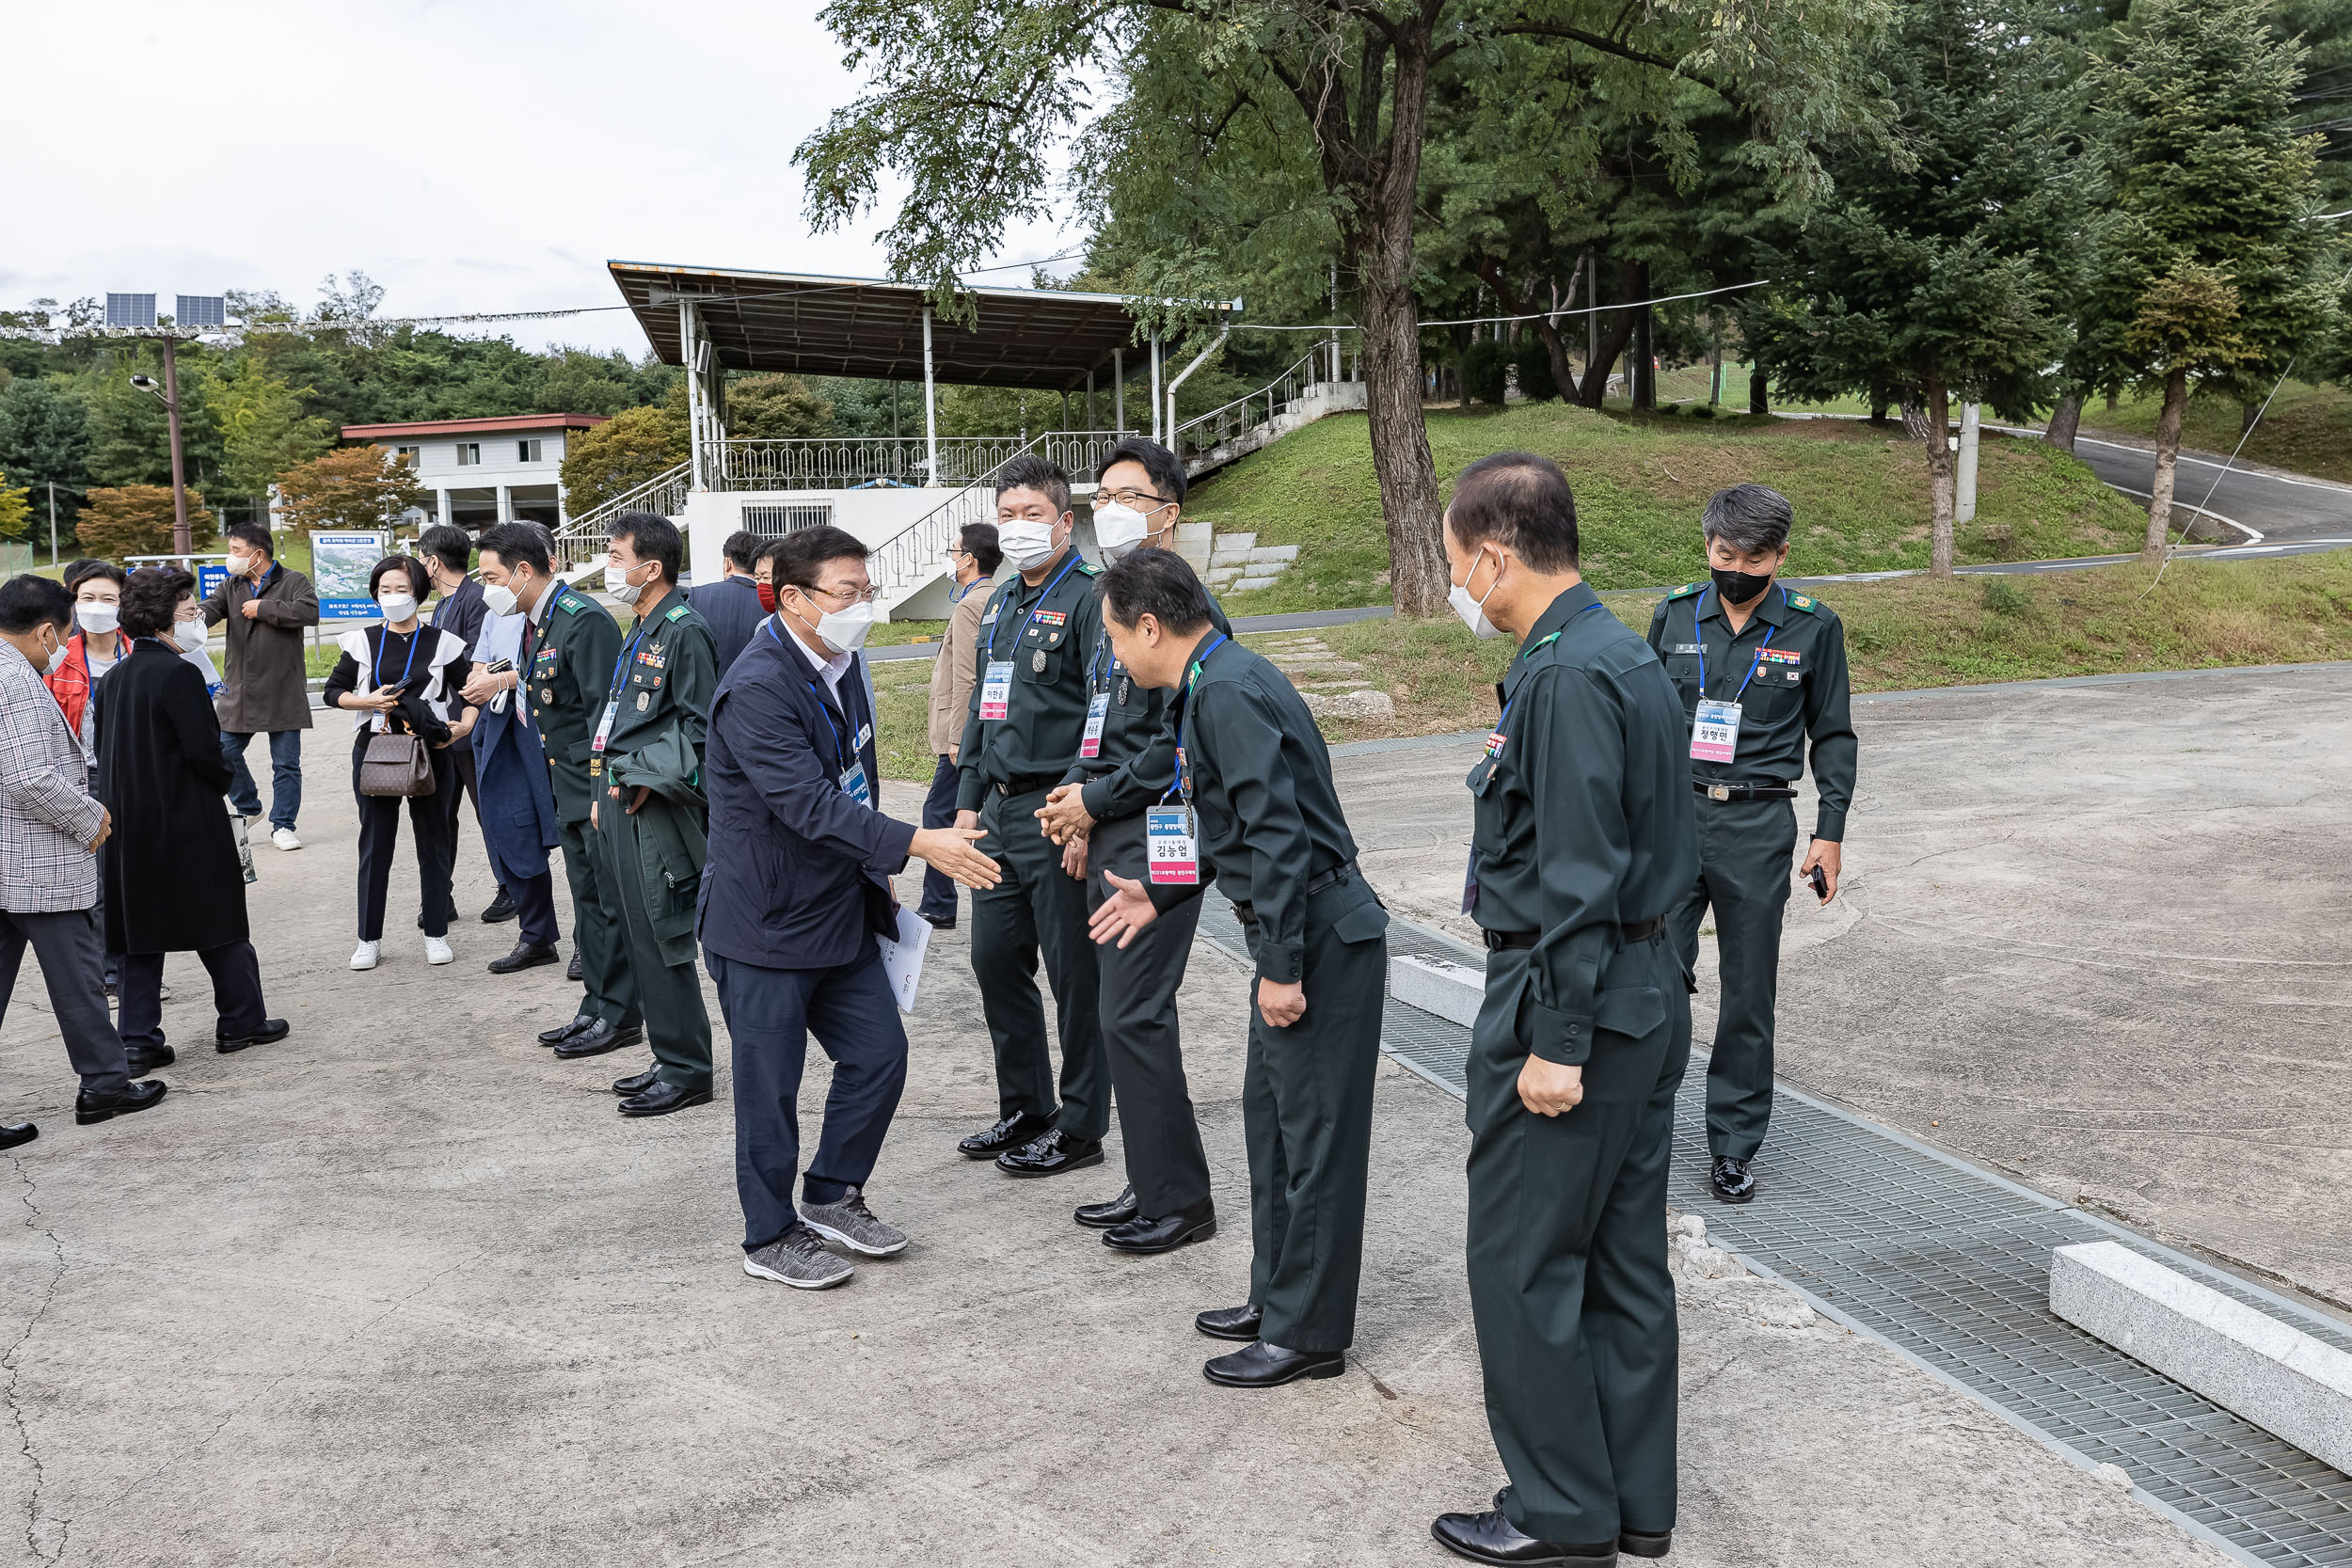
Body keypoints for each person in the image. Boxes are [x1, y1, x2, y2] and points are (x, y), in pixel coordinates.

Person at [1422, 453, 1697, 1567]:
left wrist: (1555, 1041)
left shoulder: (1566, 674)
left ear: (1492, 554)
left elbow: (1579, 872)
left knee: (1526, 1260)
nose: (1458, 587)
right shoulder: (1615, 649)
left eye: (1454, 565)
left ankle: (1558, 1510)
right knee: (1623, 1260)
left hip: (1568, 994)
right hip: (1640, 990)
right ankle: (1635, 1501)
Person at [1087, 546, 1389, 1390]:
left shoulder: (1224, 691)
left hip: (1316, 934)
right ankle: (1276, 1293)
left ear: (1152, 626)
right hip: (1291, 929)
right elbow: (1222, 827)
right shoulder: (1209, 683)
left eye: (1115, 639)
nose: (1114, 656)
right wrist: (1157, 891)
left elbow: (1279, 837)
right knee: (1272, 1122)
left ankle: (1309, 1332)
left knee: (1316, 1139)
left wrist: (1283, 968)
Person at [702, 526, 1002, 1289]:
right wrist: (918, 844)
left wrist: (881, 863)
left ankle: (834, 1190)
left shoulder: (837, 661)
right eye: (847, 593)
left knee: (879, 1056)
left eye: (866, 591)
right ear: (793, 597)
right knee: (768, 1089)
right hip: (764, 921)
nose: (860, 607)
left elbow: (854, 774)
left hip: (838, 905)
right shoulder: (760, 684)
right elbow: (804, 803)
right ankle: (768, 1235)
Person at [1034, 438, 1229, 1253]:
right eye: (1103, 492)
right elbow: (1098, 718)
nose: (1110, 508)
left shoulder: (1188, 613)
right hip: (1109, 824)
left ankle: (1179, 1199)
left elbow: (1175, 749)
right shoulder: (1119, 600)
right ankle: (1151, 1179)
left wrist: (1096, 798)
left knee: (1135, 1013)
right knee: (1123, 1017)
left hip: (1161, 833)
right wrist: (1076, 805)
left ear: (1168, 513)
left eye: (1129, 496)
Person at [1645, 483, 1854, 1205]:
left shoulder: (1811, 627)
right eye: (1724, 552)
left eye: (1754, 556)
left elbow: (1832, 734)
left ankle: (1733, 1145)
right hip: (1672, 820)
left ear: (1781, 556)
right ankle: (1641, 1126)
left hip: (1758, 826)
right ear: (1707, 547)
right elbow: (1638, 726)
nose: (1736, 566)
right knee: (1651, 975)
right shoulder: (1672, 616)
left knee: (1747, 994)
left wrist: (1830, 832)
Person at [951, 456, 1111, 1178]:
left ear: (1064, 520)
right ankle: (1027, 1105)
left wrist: (1080, 812)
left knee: (1073, 974)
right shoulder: (1002, 602)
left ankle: (1080, 1125)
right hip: (997, 808)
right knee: (993, 958)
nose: (1018, 528)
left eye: (1032, 515)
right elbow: (985, 707)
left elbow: (1102, 715)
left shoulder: (1090, 597)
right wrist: (963, 804)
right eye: (1006, 515)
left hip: (1055, 809)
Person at [0, 573, 166, 1146]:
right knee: (79, 979)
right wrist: (88, 816)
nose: (63, 648)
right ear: (46, 631)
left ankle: (105, 1080)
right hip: (33, 859)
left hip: (6, 861)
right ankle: (105, 1085)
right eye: (62, 636)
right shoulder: (16, 681)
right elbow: (28, 777)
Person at [464, 524, 642, 1055]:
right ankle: (596, 1006)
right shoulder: (537, 620)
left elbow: (603, 719)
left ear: (523, 571)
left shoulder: (581, 621)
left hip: (589, 786)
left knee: (610, 903)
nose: (486, 588)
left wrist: (596, 793)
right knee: (587, 900)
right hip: (561, 782)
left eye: (492, 576)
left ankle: (622, 1015)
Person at [99, 567, 289, 1064]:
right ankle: (241, 1020)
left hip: (128, 823)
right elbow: (206, 752)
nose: (196, 617)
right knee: (221, 922)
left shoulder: (116, 677)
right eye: (188, 609)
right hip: (185, 817)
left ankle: (138, 1041)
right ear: (163, 619)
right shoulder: (180, 673)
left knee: (139, 938)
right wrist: (226, 783)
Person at [594, 512, 718, 1117]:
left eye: (617, 557)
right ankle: (670, 1054)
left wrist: (648, 782)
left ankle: (689, 1068)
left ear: (653, 566)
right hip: (619, 794)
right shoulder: (641, 625)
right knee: (636, 927)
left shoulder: (684, 629)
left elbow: (700, 729)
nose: (609, 567)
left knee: (663, 931)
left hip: (653, 803)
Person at [320, 556, 477, 972]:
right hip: (377, 748)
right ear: (375, 593)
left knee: (434, 840)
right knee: (375, 843)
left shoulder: (444, 643)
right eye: (385, 590)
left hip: (430, 750)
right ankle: (368, 938)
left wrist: (462, 727)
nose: (393, 597)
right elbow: (332, 692)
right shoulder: (361, 640)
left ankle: (436, 932)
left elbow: (471, 692)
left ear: (419, 593)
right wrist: (366, 700)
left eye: (402, 589)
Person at [202, 523, 320, 852]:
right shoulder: (231, 585)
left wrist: (264, 609)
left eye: (236, 550)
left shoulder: (293, 580)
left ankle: (283, 825)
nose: (231, 556)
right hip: (239, 688)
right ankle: (249, 807)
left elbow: (310, 612)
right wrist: (194, 618)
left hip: (283, 687)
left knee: (286, 763)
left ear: (257, 554)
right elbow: (211, 608)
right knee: (222, 751)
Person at [465, 593, 564, 975]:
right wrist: (483, 685)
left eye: (495, 576)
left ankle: (594, 943)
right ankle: (536, 935)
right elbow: (478, 669)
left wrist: (507, 678)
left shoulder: (568, 614)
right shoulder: (498, 614)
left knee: (581, 842)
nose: (491, 588)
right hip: (508, 727)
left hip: (559, 732)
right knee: (515, 827)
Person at [419, 523, 510, 926]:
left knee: (488, 810)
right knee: (439, 818)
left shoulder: (476, 600)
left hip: (470, 726)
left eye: (422, 560)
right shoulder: (441, 604)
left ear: (434, 562)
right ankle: (440, 895)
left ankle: (510, 887)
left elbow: (477, 663)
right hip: (442, 730)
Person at [48, 564, 131, 994]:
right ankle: (109, 971)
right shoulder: (59, 659)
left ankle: (136, 968)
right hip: (87, 778)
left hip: (135, 778)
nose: (97, 608)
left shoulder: (139, 652)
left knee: (133, 876)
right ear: (74, 604)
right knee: (96, 882)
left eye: (109, 599)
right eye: (87, 599)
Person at [917, 521, 1000, 929]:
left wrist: (958, 738)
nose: (950, 560)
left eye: (953, 553)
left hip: (961, 733)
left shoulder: (972, 604)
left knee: (939, 813)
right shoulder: (993, 597)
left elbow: (969, 675)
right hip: (971, 730)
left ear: (968, 559)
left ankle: (938, 903)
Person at [687, 528, 766, 679]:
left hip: (707, 693)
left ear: (728, 562)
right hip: (755, 693)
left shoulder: (698, 596)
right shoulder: (773, 604)